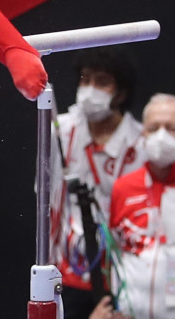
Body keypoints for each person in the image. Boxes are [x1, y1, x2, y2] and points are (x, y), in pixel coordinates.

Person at [49, 48, 144, 319]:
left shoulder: (142, 146)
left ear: (121, 93)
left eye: (101, 81)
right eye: (85, 79)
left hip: (121, 274)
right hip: (67, 272)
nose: (90, 89)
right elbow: (45, 199)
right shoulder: (62, 131)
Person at [108, 93, 175, 319]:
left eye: (171, 127)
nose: (162, 135)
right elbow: (115, 253)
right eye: (154, 128)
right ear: (143, 133)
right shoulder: (123, 187)